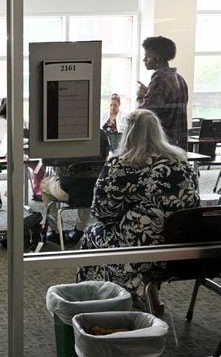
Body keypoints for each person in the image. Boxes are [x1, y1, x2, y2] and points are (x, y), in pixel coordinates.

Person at [77, 109, 199, 309]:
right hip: (176, 243)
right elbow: (192, 203)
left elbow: (101, 210)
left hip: (137, 246)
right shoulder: (182, 163)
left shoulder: (121, 164)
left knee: (92, 234)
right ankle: (149, 292)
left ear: (128, 133)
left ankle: (102, 299)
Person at [40, 129, 109, 246]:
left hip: (68, 190)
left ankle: (56, 232)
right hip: (95, 189)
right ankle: (79, 230)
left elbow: (47, 161)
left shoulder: (63, 133)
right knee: (88, 186)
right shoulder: (101, 134)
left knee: (44, 184)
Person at [136, 36, 189, 150]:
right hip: (178, 145)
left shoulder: (159, 79)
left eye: (148, 56)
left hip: (162, 146)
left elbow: (145, 115)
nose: (144, 60)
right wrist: (149, 93)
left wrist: (140, 96)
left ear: (158, 58)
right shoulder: (179, 79)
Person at [0, 98, 45, 200]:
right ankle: (12, 191)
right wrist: (27, 140)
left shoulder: (20, 119)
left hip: (19, 151)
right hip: (2, 154)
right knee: (20, 165)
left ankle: (38, 192)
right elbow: (8, 140)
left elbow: (28, 135)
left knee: (38, 165)